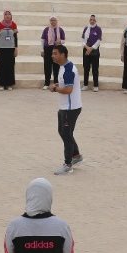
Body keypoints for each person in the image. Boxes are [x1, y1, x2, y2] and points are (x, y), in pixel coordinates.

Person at [49, 45, 83, 175]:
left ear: (63, 54)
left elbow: (69, 89)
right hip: (65, 107)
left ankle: (68, 164)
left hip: (71, 108)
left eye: (55, 53)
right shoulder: (63, 67)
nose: (53, 56)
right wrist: (58, 85)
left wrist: (55, 88)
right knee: (63, 132)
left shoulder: (69, 69)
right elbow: (66, 84)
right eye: (52, 53)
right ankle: (76, 155)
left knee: (67, 134)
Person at [0, 10, 18, 90]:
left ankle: (9, 84)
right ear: (4, 16)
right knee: (2, 66)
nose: (7, 16)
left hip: (11, 49)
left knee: (10, 66)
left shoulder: (14, 24)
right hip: (1, 49)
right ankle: (1, 84)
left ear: (11, 16)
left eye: (9, 14)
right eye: (6, 14)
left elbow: (15, 38)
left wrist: (16, 48)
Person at [40, 17, 66, 89]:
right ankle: (47, 83)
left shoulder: (60, 30)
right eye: (51, 20)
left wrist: (60, 41)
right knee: (47, 67)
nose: (53, 22)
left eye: (54, 20)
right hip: (47, 50)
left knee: (56, 67)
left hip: (56, 50)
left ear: (56, 21)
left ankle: (56, 83)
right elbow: (42, 40)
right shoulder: (46, 29)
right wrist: (42, 50)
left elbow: (63, 40)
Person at [80, 15, 102, 91]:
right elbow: (83, 40)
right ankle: (85, 85)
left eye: (93, 20)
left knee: (95, 69)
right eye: (91, 20)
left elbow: (98, 41)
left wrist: (91, 48)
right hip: (86, 50)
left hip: (94, 51)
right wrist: (87, 48)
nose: (92, 21)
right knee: (86, 68)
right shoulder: (86, 28)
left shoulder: (98, 29)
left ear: (95, 21)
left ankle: (95, 85)